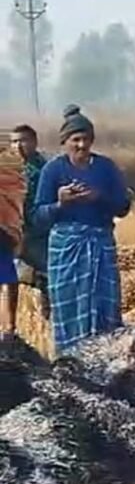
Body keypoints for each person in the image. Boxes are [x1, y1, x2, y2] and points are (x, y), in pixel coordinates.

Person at [34, 105, 131, 354]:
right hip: (66, 249)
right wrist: (60, 204)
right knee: (68, 306)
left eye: (86, 139)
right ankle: (69, 359)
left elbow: (123, 207)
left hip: (100, 244)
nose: (81, 145)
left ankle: (106, 357)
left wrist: (99, 198)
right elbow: (38, 217)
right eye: (75, 139)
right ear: (64, 141)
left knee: (104, 306)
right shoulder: (53, 170)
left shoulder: (106, 168)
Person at [12, 124, 50, 320]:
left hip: (38, 234)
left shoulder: (45, 170)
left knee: (46, 277)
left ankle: (47, 320)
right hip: (13, 231)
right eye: (14, 141)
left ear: (34, 142)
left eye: (23, 140)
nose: (18, 146)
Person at [0, 136, 25, 341]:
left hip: (4, 230)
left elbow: (16, 194)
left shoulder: (10, 169)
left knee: (8, 278)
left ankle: (10, 328)